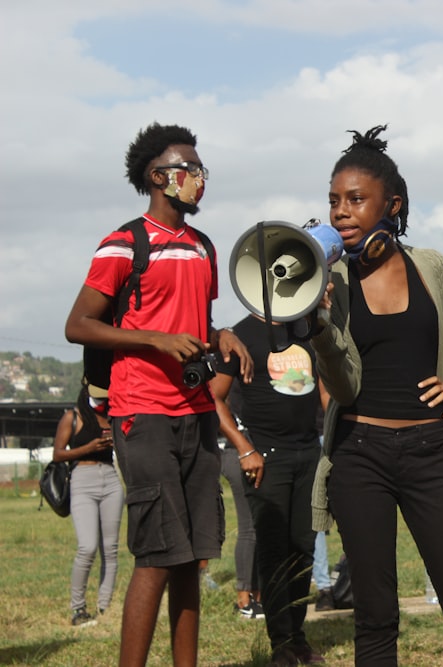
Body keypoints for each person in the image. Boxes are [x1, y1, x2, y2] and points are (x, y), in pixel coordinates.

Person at [309, 125, 443, 666]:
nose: (341, 213)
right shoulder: (333, 284)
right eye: (333, 201)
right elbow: (344, 386)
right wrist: (320, 325)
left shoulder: (432, 267)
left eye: (355, 199)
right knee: (375, 618)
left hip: (430, 456)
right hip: (359, 456)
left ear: (391, 204)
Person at [64, 122, 252, 667]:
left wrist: (224, 335)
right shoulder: (124, 243)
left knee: (190, 556)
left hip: (196, 414)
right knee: (155, 555)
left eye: (201, 169)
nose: (198, 178)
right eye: (189, 169)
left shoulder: (202, 247)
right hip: (141, 413)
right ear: (158, 177)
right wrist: (153, 338)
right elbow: (79, 324)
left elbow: (198, 320)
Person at [212, 316, 329, 666]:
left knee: (304, 550)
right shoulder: (242, 335)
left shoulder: (308, 328)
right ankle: (281, 643)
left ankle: (297, 637)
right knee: (274, 552)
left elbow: (325, 391)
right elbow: (214, 398)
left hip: (309, 453)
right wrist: (245, 449)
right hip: (266, 457)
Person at [51, 378, 124, 627]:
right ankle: (78, 608)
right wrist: (89, 447)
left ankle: (104, 608)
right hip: (82, 478)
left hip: (111, 479)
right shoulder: (72, 417)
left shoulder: (113, 415)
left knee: (111, 550)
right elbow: (58, 454)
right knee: (87, 547)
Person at [216, 382, 264, 619]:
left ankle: (257, 594)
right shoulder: (228, 377)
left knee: (258, 526)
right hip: (236, 452)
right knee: (249, 528)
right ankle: (244, 598)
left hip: (254, 449)